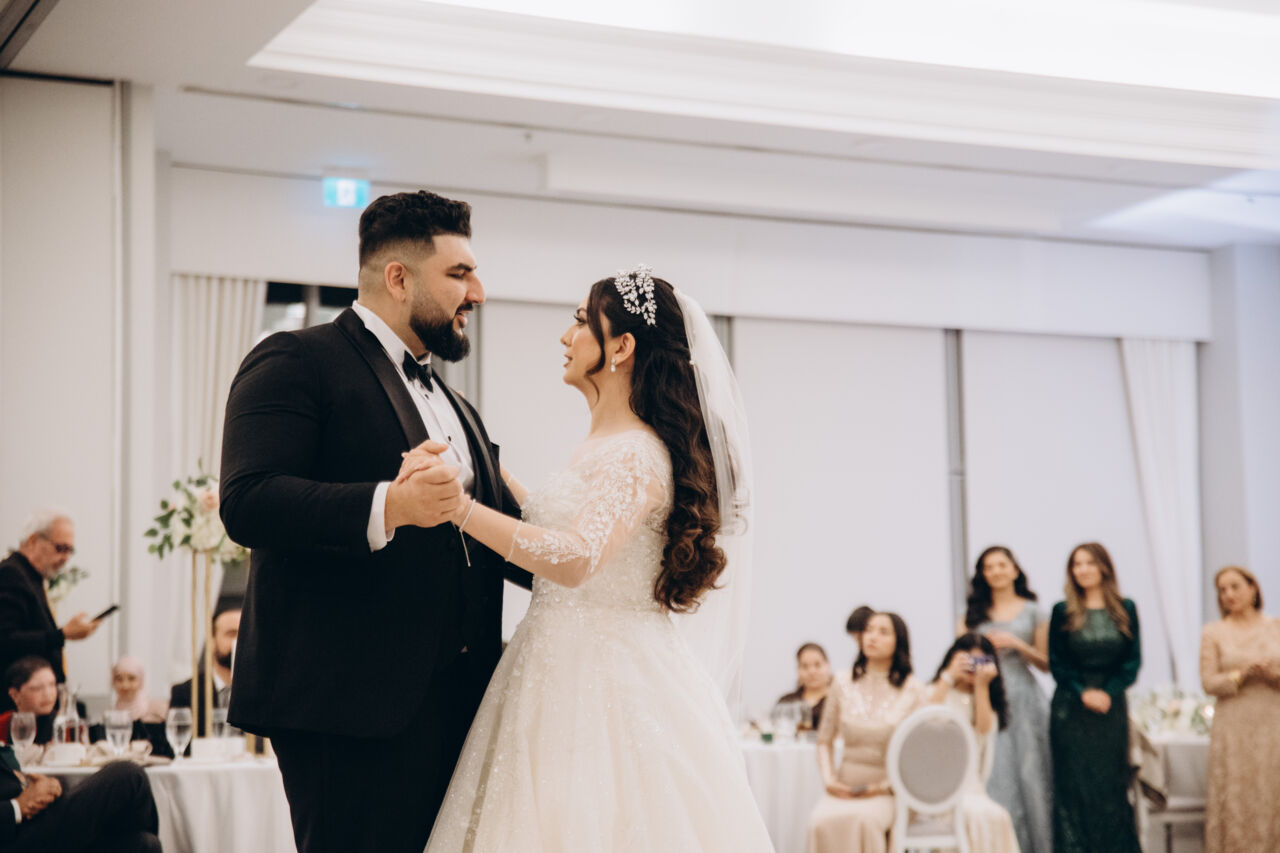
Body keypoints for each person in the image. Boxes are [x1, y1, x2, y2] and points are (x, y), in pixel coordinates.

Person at [411, 268, 773, 851]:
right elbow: (560, 527)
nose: (566, 336)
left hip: (602, 682)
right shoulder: (607, 447)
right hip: (554, 661)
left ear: (621, 347)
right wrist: (486, 471)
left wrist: (460, 510)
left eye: (581, 321)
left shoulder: (635, 454)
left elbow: (577, 558)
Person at [219, 190, 532, 853]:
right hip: (348, 710)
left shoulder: (458, 406)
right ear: (398, 278)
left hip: (463, 710)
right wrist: (391, 504)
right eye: (459, 273)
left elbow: (506, 537)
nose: (477, 292)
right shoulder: (295, 360)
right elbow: (248, 500)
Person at [1048, 542, 1141, 853]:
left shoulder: (1126, 609)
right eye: (1076, 564)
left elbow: (1132, 662)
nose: (1083, 569)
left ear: (1104, 567)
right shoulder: (1062, 611)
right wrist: (1083, 691)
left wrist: (1108, 692)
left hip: (1111, 707)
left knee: (1111, 787)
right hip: (1070, 707)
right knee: (1073, 788)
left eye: (1089, 563)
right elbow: (1058, 662)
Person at [807, 612, 923, 853]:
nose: (872, 637)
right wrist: (829, 780)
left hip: (890, 791)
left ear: (899, 641)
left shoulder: (913, 689)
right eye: (869, 630)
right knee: (818, 821)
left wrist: (883, 787)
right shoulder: (842, 682)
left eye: (883, 632)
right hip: (845, 787)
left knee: (865, 821)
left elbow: (919, 755)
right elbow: (824, 741)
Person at [962, 545, 1052, 853]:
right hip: (987, 697)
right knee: (994, 773)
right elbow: (960, 659)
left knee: (1032, 776)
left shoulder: (1034, 611)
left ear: (1014, 570)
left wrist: (1017, 644)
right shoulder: (971, 615)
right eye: (989, 567)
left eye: (1001, 565)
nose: (996, 572)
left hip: (1025, 700)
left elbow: (1046, 663)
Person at [1199, 565, 1280, 853]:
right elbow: (1208, 682)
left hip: (1272, 721)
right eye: (1222, 590)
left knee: (1271, 790)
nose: (1228, 594)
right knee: (1236, 794)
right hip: (1233, 725)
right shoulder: (1214, 632)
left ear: (1253, 588)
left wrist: (1272, 674)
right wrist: (1240, 675)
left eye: (1235, 586)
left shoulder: (1276, 627)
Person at [929, 633, 1020, 853]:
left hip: (970, 786)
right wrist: (948, 676)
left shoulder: (985, 703)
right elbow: (924, 720)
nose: (973, 667)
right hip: (934, 784)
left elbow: (982, 730)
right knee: (972, 815)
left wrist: (981, 686)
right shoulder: (936, 691)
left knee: (996, 816)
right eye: (968, 660)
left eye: (980, 661)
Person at [0, 512, 100, 707]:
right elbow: (5, 640)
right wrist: (62, 634)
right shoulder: (11, 574)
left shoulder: (31, 576)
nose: (66, 558)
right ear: (33, 541)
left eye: (70, 550)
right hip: (17, 705)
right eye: (61, 548)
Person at [0, 747, 161, 852]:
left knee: (146, 844)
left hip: (26, 821)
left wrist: (40, 787)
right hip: (14, 834)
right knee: (130, 776)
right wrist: (17, 806)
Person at [169, 604, 240, 737]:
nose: (239, 642)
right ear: (212, 641)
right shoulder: (187, 693)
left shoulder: (262, 692)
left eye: (245, 634)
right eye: (231, 634)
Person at [0, 658, 57, 747]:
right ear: (15, 695)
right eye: (37, 688)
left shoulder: (65, 725)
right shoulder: (3, 725)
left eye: (52, 684)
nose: (48, 694)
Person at [775, 642, 833, 731]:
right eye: (805, 666)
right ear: (798, 669)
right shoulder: (786, 701)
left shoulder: (839, 701)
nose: (812, 671)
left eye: (817, 665)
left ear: (828, 666)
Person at [110, 656, 167, 724]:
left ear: (141, 681)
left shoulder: (157, 711)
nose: (125, 686)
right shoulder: (112, 715)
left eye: (131, 678)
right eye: (119, 679)